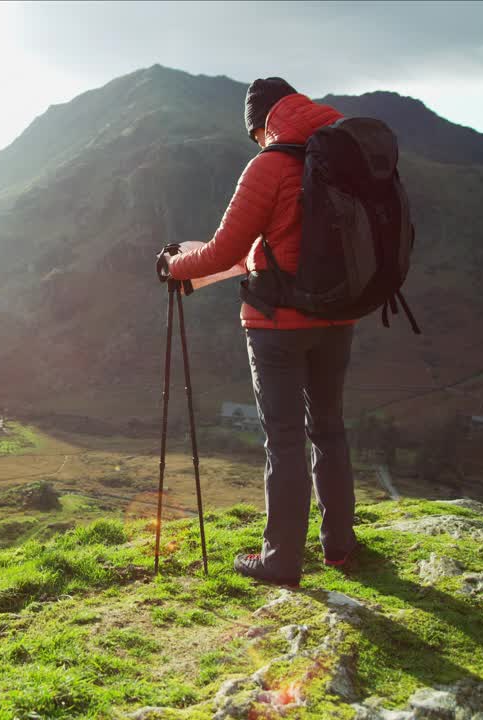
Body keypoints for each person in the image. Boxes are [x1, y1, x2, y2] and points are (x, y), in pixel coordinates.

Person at [157, 77, 358, 586]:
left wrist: (175, 266)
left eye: (255, 134)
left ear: (261, 124)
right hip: (338, 316)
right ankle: (340, 548)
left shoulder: (269, 165)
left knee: (284, 440)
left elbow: (224, 251)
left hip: (278, 326)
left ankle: (280, 560)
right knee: (329, 430)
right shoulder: (343, 158)